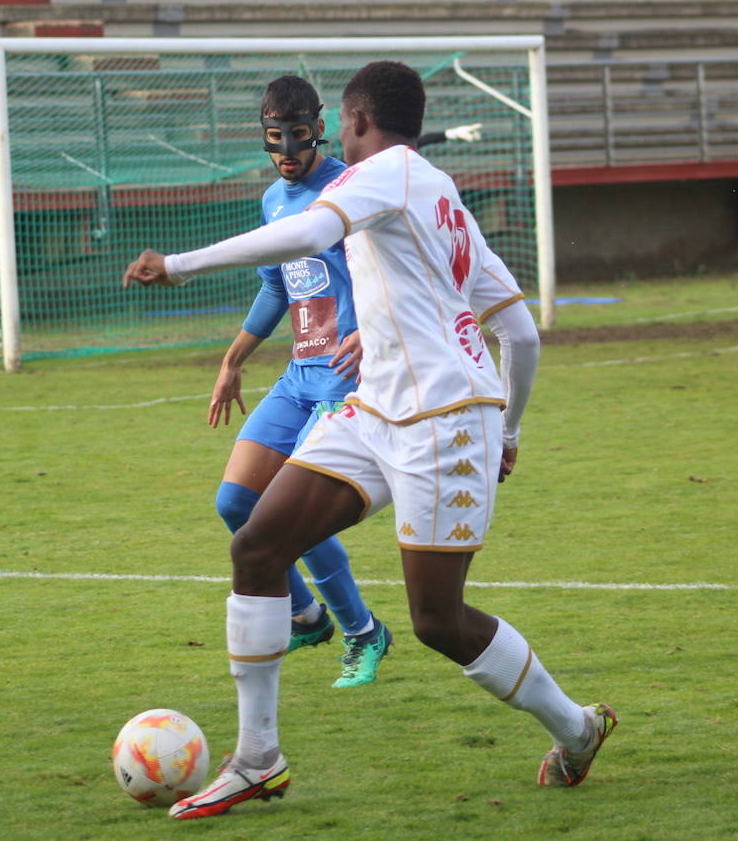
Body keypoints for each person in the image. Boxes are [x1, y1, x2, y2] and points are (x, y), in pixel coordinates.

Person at [124, 61, 616, 819]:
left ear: (352, 123)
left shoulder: (377, 175)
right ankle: (258, 759)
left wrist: (182, 264)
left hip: (447, 422)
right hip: (377, 408)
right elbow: (518, 331)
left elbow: (311, 229)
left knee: (437, 622)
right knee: (257, 545)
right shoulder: (437, 192)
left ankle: (576, 728)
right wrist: (511, 427)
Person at [210, 74, 391, 689]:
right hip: (297, 377)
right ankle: (307, 615)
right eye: (273, 139)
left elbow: (394, 271)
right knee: (236, 503)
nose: (286, 150)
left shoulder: (351, 191)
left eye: (297, 136)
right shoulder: (273, 201)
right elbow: (275, 285)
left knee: (294, 518)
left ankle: (364, 633)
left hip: (345, 381)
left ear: (317, 128)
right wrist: (235, 359)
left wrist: (374, 327)